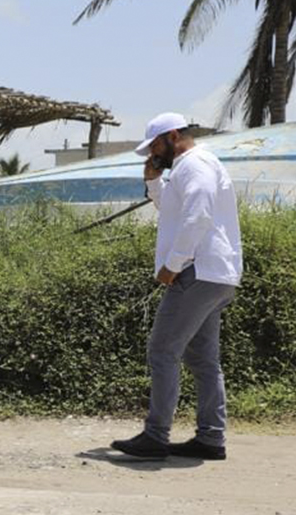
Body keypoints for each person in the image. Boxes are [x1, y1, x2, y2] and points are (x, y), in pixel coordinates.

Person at [111, 112, 242, 460]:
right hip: (214, 274)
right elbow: (171, 210)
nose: (153, 153)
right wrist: (153, 181)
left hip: (196, 271)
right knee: (203, 358)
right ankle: (210, 438)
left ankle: (156, 436)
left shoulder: (194, 164)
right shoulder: (188, 167)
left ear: (172, 136)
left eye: (154, 146)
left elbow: (197, 216)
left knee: (162, 351)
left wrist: (173, 264)